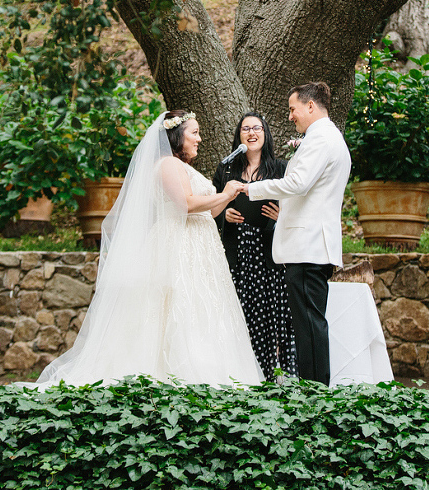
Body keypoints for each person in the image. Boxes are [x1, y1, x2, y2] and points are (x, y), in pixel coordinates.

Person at [36, 110, 263, 386]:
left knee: (205, 309)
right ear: (177, 136)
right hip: (178, 244)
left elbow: (209, 213)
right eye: (194, 133)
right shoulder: (167, 164)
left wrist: (228, 196)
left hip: (201, 248)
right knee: (178, 307)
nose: (199, 139)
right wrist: (223, 193)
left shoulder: (184, 167)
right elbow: (185, 205)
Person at [243, 82, 351, 386]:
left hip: (308, 247)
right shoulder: (327, 137)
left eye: (293, 109)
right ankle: (314, 390)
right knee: (308, 326)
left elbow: (297, 184)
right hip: (312, 246)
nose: (290, 116)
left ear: (310, 107)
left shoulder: (320, 139)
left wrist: (252, 189)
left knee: (309, 327)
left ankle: (314, 395)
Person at [211, 112, 297, 378]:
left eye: (257, 128)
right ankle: (246, 376)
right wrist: (224, 214)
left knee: (275, 316)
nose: (251, 133)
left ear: (265, 133)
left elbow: (296, 206)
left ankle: (279, 374)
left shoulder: (281, 169)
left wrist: (281, 218)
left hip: (271, 252)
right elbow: (210, 208)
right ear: (239, 136)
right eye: (245, 129)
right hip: (239, 252)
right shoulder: (226, 170)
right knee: (242, 314)